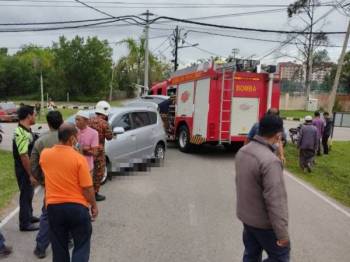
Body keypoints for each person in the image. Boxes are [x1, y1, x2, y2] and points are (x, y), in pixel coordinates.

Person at [40, 123, 98, 262]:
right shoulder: (79, 159)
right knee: (81, 245)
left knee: (59, 247)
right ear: (72, 139)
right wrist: (94, 205)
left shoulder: (45, 154)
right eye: (76, 137)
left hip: (54, 207)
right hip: (77, 208)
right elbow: (87, 188)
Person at [236, 114, 290, 262]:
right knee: (281, 257)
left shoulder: (243, 151)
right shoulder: (270, 161)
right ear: (278, 135)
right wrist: (283, 235)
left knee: (251, 255)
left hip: (247, 219)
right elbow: (276, 201)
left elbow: (240, 185)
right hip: (264, 224)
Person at [30, 111, 63, 259]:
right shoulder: (70, 138)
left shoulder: (40, 141)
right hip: (68, 184)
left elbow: (34, 165)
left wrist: (40, 180)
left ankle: (41, 247)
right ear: (61, 121)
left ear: (48, 123)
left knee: (47, 214)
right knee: (67, 211)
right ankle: (67, 240)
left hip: (50, 183)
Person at [12, 105, 39, 232]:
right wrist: (30, 175)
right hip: (24, 170)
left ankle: (29, 215)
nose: (35, 116)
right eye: (34, 114)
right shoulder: (20, 132)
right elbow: (24, 156)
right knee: (25, 194)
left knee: (29, 193)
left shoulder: (27, 130)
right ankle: (24, 223)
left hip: (27, 169)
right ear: (28, 116)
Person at [88, 101, 113, 201]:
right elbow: (109, 137)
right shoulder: (105, 123)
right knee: (99, 173)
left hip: (88, 151)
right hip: (99, 152)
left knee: (88, 172)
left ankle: (85, 192)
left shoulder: (89, 121)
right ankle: (94, 193)